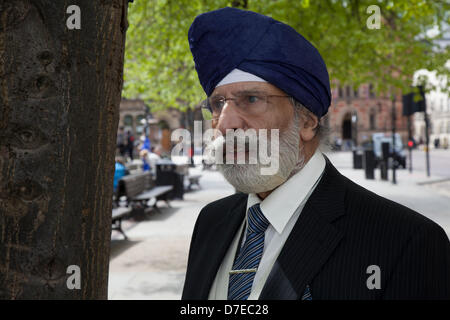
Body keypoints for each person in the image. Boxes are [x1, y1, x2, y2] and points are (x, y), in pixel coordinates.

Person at [182, 8, 450, 300]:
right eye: (218, 103)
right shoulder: (211, 222)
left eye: (251, 99)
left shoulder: (406, 242)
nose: (225, 123)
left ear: (308, 122)